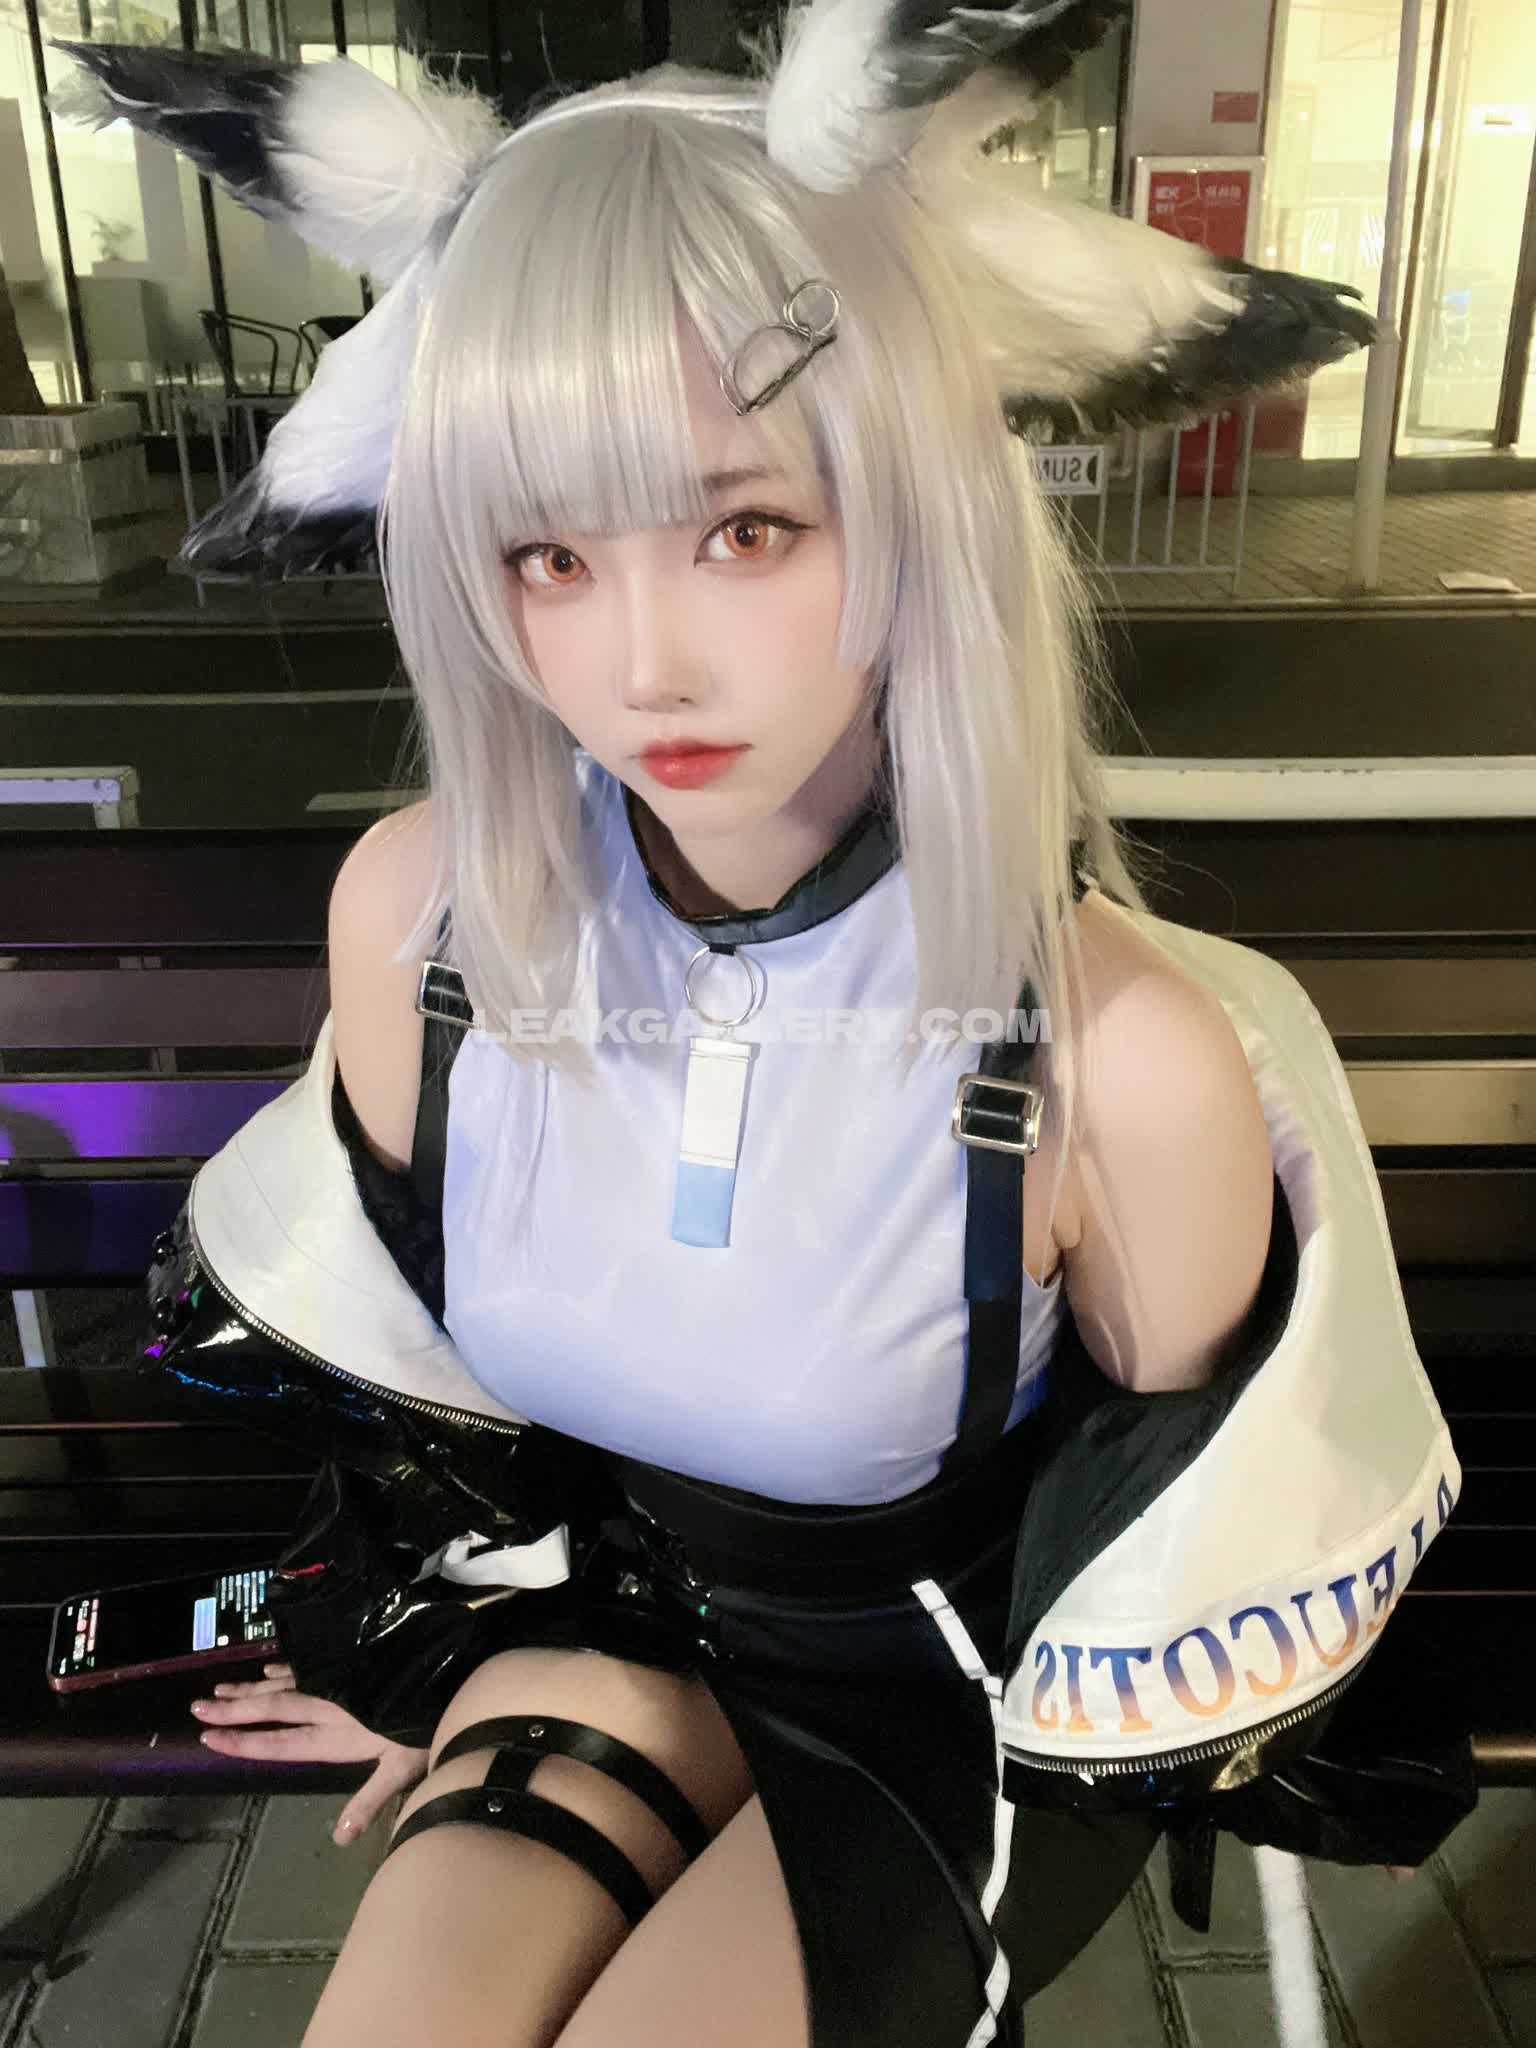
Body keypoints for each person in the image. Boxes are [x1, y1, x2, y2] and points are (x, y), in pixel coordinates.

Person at [61, 7, 1469, 2045]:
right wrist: (411, 1643)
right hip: (607, 1607)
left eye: (746, 528)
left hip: (966, 1688)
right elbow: (422, 1379)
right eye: (549, 552)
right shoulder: (422, 917)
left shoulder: (1119, 1059)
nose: (644, 660)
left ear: (916, 501)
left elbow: (1166, 1539)